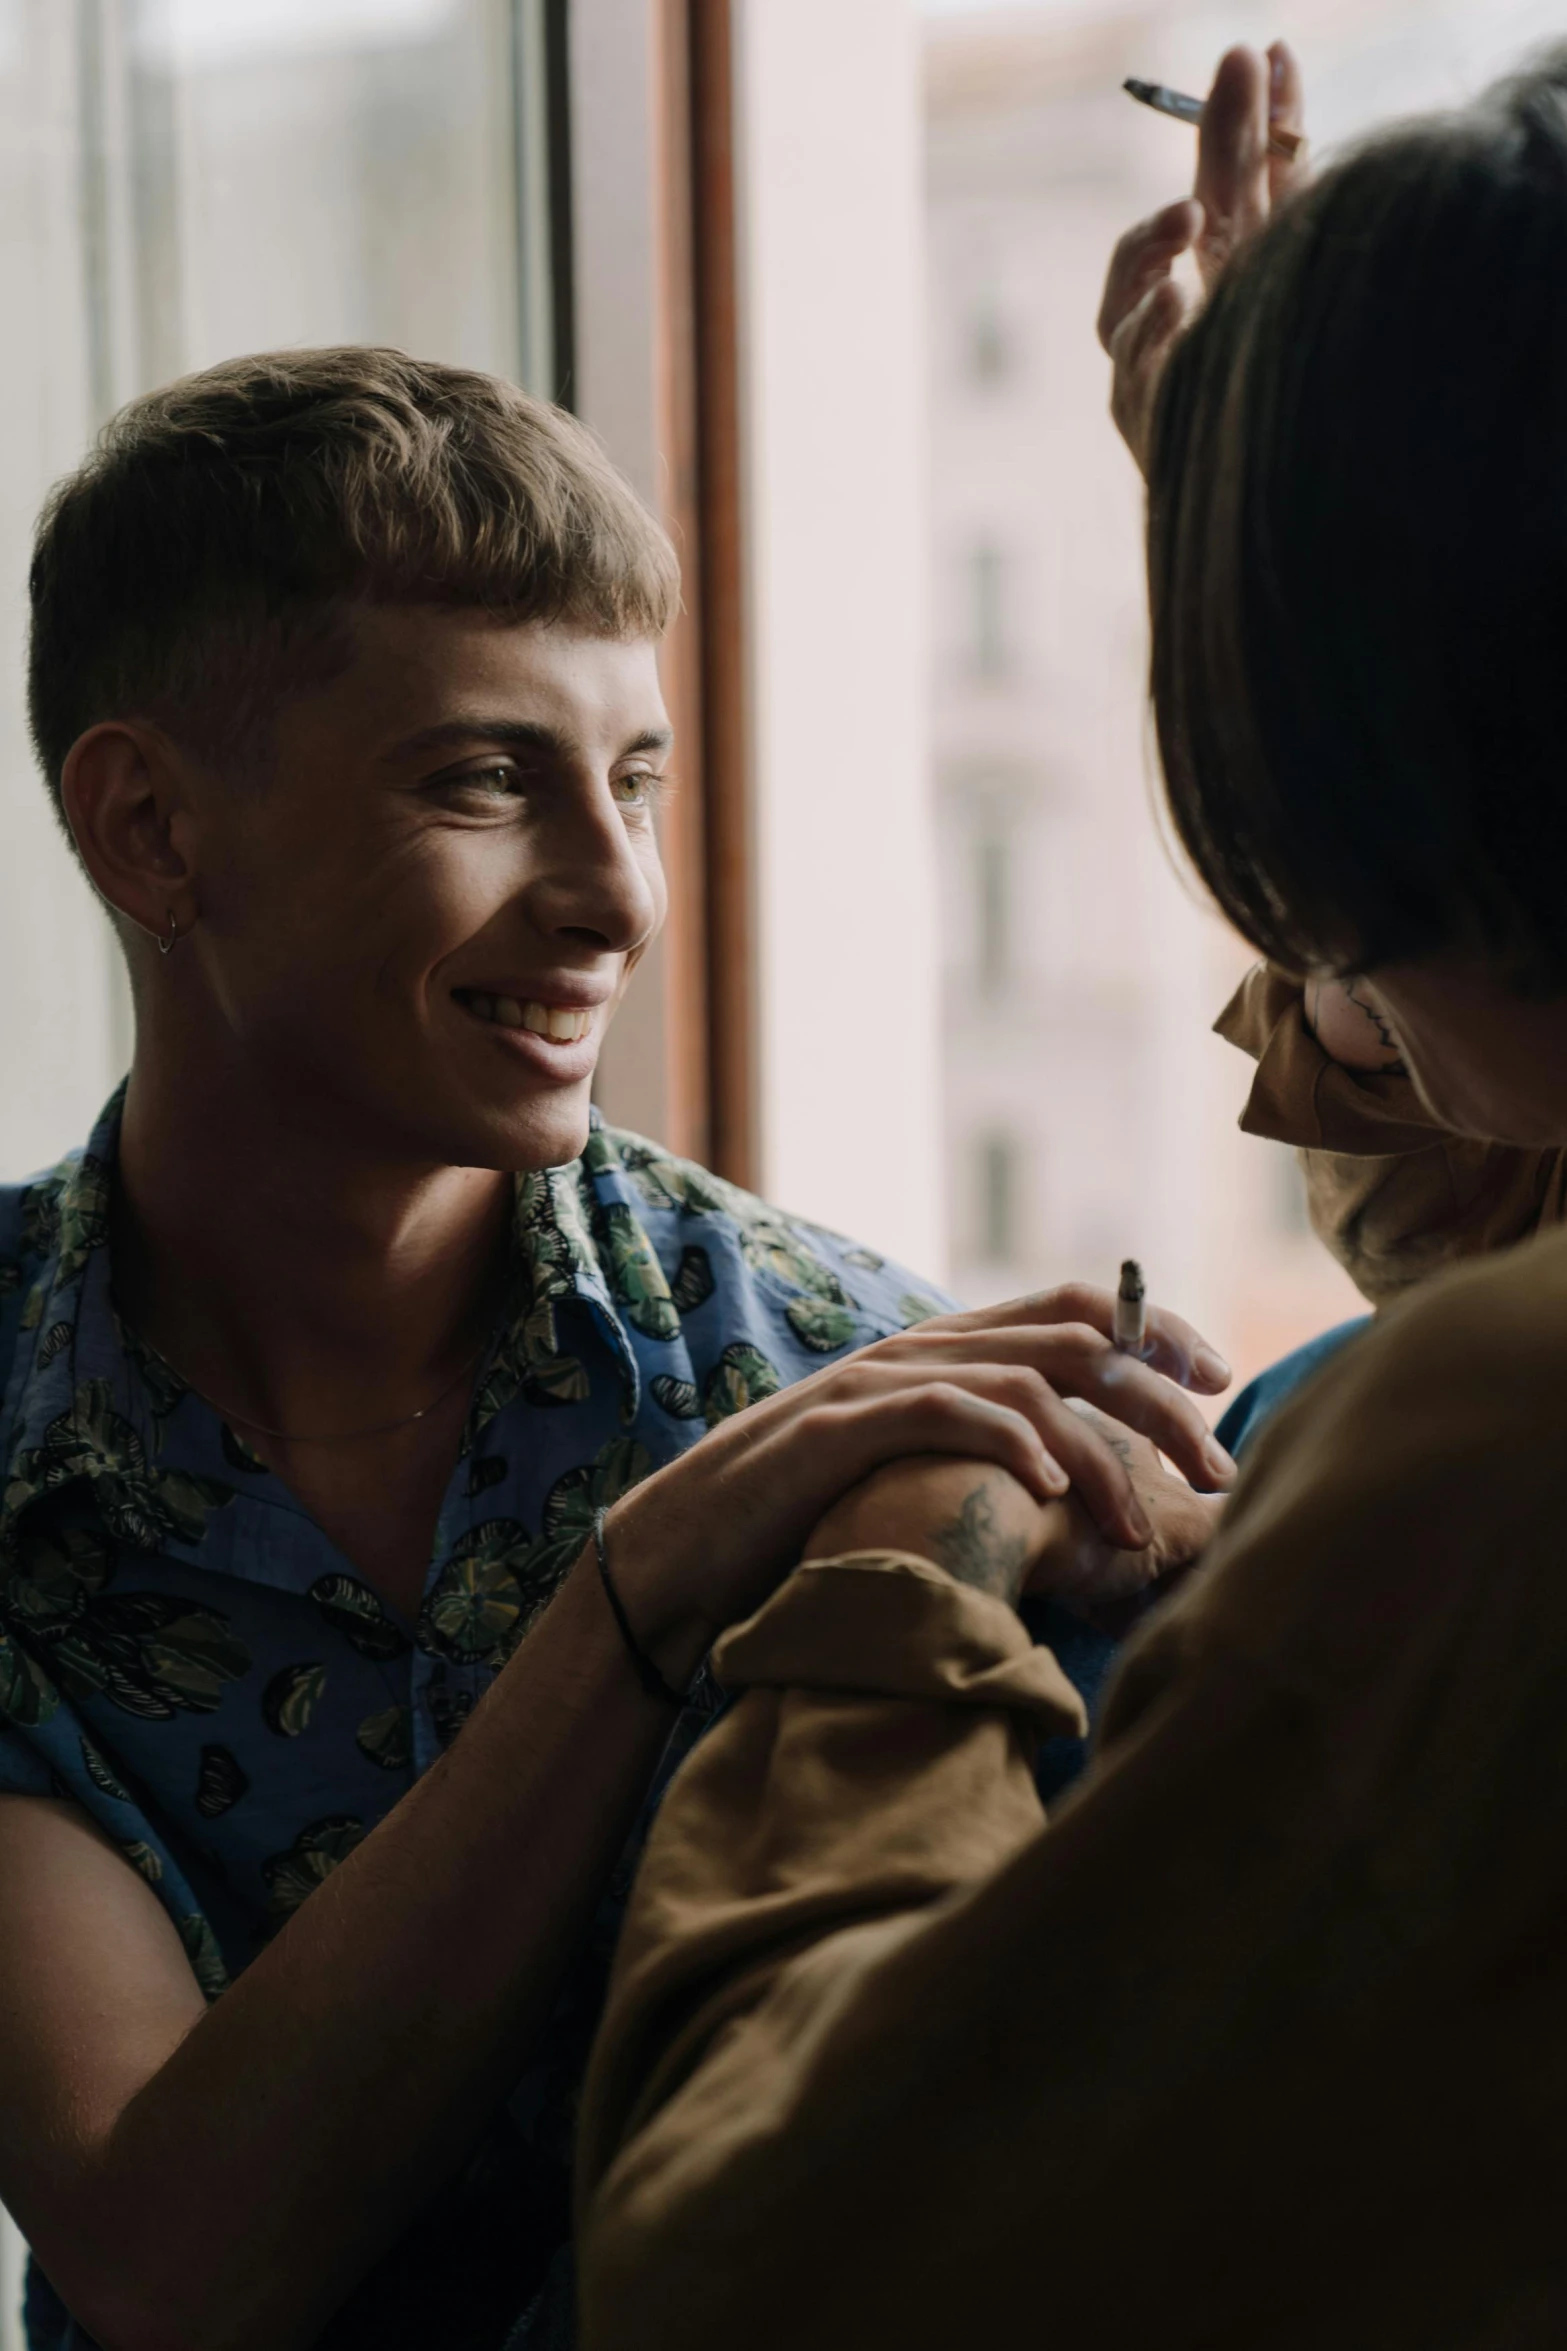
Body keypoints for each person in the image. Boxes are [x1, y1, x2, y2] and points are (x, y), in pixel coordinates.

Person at [0, 349, 1238, 2351]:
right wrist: (636, 1600)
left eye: (639, 778)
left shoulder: (848, 1376)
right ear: (150, 828)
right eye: (485, 778)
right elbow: (167, 2248)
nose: (619, 892)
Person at [574, 43, 1567, 2348]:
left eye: (637, 774)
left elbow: (747, 2270)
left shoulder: (1488, 1455)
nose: (608, 891)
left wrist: (896, 1580)